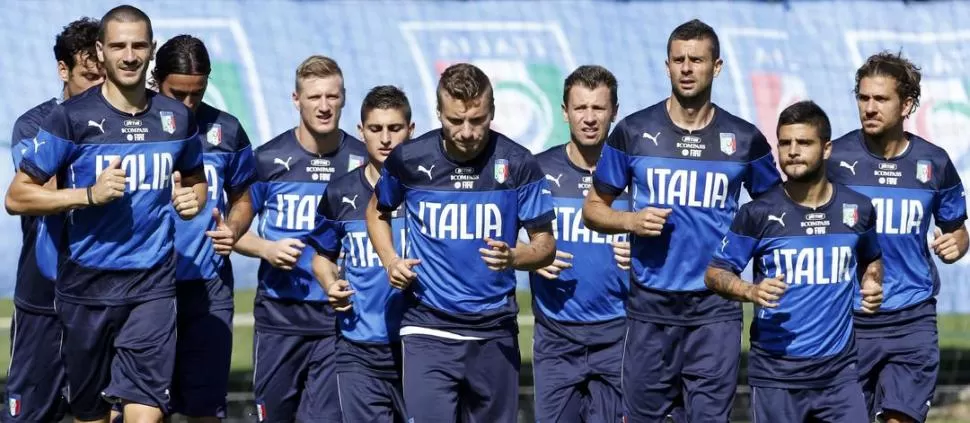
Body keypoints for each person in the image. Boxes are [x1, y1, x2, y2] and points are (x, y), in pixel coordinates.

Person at [4, 5, 208, 423]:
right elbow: (17, 198)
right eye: (118, 46)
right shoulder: (69, 118)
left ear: (151, 50)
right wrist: (88, 196)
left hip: (152, 285)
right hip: (84, 287)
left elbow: (194, 178)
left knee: (146, 409)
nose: (129, 55)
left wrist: (195, 199)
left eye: (138, 46)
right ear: (102, 50)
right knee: (90, 414)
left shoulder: (176, 118)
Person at [582, 19, 782, 422]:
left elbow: (776, 216)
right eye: (679, 60)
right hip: (649, 308)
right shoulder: (634, 132)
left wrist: (751, 274)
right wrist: (631, 222)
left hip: (716, 311)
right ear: (667, 66)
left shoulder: (745, 140)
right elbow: (593, 208)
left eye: (697, 60)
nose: (687, 68)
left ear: (717, 67)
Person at [366, 63, 556, 423]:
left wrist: (516, 256)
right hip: (427, 326)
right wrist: (390, 260)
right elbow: (377, 210)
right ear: (439, 113)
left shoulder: (518, 164)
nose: (467, 131)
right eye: (455, 121)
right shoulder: (408, 159)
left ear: (493, 112)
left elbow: (545, 245)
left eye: (477, 119)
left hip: (494, 328)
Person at [705, 100, 884, 422]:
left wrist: (872, 280)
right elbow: (715, 273)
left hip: (839, 374)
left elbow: (871, 259)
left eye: (803, 142)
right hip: (777, 375)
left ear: (826, 148)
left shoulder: (858, 210)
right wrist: (749, 291)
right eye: (785, 143)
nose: (792, 151)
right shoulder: (757, 213)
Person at [828, 52, 969, 423]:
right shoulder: (833, 160)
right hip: (848, 319)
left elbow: (956, 229)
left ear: (906, 104)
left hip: (912, 318)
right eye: (863, 98)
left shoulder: (934, 163)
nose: (869, 107)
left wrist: (958, 243)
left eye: (881, 99)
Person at [233, 55, 366, 423]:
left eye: (332, 97)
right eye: (314, 97)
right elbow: (230, 231)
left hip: (337, 319)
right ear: (296, 99)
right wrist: (266, 249)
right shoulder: (268, 160)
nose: (324, 106)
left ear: (343, 98)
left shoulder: (362, 160)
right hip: (279, 316)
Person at [153, 34, 257, 423]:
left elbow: (245, 198)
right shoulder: (133, 130)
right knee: (142, 406)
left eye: (196, 94)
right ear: (156, 81)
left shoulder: (227, 131)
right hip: (144, 286)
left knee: (204, 409)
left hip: (209, 288)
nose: (188, 104)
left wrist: (233, 228)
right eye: (177, 94)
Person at [4, 16, 103, 423]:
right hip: (43, 295)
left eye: (104, 77)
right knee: (29, 414)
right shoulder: (32, 125)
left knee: (105, 411)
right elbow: (34, 193)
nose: (98, 88)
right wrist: (91, 189)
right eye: (88, 77)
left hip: (104, 294)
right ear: (63, 70)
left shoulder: (128, 124)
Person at [309, 85, 414, 422]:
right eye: (375, 129)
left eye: (395, 129)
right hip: (358, 350)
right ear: (361, 131)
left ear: (411, 131)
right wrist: (330, 285)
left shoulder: (429, 190)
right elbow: (323, 258)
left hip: (419, 348)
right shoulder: (340, 192)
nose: (385, 139)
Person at [530, 65, 629, 422]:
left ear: (614, 112)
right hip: (556, 338)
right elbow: (502, 233)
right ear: (564, 111)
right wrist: (532, 257)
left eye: (598, 108)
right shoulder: (536, 171)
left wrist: (642, 251)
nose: (589, 118)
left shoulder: (635, 173)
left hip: (619, 337)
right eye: (580, 108)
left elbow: (668, 235)